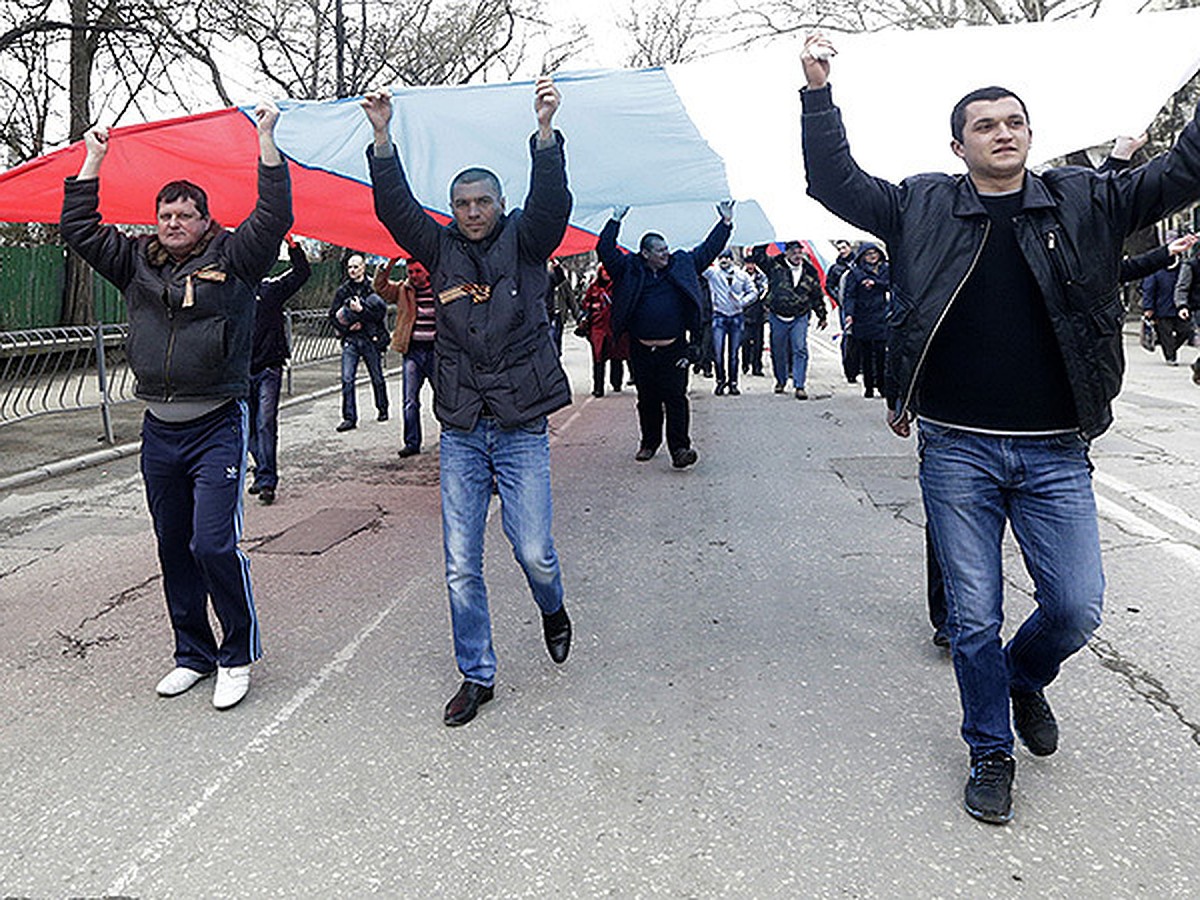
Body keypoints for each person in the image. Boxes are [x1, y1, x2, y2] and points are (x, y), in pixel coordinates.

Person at [801, 33, 1200, 825]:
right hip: (957, 447)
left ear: (1030, 133)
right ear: (959, 145)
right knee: (972, 617)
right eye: (984, 124)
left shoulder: (1087, 198)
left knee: (1077, 607)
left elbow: (1183, 170)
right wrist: (818, 95)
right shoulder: (919, 205)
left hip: (1056, 449)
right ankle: (989, 748)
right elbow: (833, 181)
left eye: (1013, 120)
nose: (1003, 131)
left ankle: (1024, 677)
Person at [60, 102, 292, 711]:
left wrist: (265, 141)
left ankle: (236, 655)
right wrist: (94, 158)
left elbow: (274, 218)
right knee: (171, 545)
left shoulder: (234, 260)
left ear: (205, 220)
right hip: (159, 431)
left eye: (185, 215)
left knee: (213, 544)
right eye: (165, 214)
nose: (173, 222)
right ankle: (192, 653)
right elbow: (80, 231)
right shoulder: (135, 262)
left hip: (217, 422)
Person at [362, 76, 574, 727]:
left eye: (483, 201)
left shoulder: (527, 243)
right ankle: (476, 674)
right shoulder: (438, 248)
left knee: (533, 549)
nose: (472, 210)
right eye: (462, 202)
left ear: (499, 204)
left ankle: (553, 607)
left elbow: (551, 203)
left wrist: (544, 134)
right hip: (460, 430)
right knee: (460, 565)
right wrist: (381, 136)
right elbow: (395, 211)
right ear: (451, 209)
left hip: (519, 428)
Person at [599, 202, 734, 467]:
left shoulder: (681, 264)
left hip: (674, 349)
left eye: (666, 249)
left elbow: (708, 251)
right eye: (659, 251)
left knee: (675, 398)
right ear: (645, 253)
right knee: (647, 399)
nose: (665, 254)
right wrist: (615, 220)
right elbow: (604, 249)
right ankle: (649, 443)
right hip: (641, 349)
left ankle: (680, 449)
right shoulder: (629, 269)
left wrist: (725, 223)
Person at [248, 235, 311, 505]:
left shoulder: (272, 289)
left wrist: (293, 246)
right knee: (247, 428)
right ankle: (263, 469)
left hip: (269, 368)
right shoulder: (231, 291)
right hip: (240, 371)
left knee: (265, 422)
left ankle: (267, 480)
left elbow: (302, 273)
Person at [748, 241, 827, 399]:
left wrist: (822, 315)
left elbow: (816, 294)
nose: (797, 255)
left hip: (800, 315)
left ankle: (799, 385)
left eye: (799, 252)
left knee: (800, 349)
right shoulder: (774, 265)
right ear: (786, 253)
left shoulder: (809, 271)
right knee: (778, 350)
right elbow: (758, 256)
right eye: (794, 252)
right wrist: (766, 238)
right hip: (778, 315)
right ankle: (781, 380)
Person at [376, 257, 436, 457]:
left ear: (427, 271)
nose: (414, 276)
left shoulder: (440, 287)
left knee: (446, 399)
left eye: (418, 271)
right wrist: (388, 265)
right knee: (410, 400)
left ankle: (452, 438)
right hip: (413, 351)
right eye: (411, 272)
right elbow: (381, 287)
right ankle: (412, 442)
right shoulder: (403, 290)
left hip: (437, 351)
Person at [329, 253, 389, 432]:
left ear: (363, 267)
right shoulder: (343, 291)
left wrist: (361, 312)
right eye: (349, 267)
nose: (352, 271)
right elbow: (332, 316)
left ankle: (382, 408)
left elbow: (379, 315)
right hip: (351, 340)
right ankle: (349, 417)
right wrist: (347, 328)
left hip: (370, 339)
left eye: (355, 267)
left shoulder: (372, 289)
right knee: (347, 378)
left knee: (376, 377)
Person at [703, 250, 757, 396]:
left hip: (736, 316)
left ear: (732, 260)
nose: (724, 261)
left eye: (727, 258)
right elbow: (700, 264)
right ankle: (720, 381)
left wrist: (743, 302)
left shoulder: (742, 275)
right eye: (721, 258)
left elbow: (753, 291)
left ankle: (733, 383)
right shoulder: (713, 273)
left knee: (733, 353)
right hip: (719, 315)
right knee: (718, 353)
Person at [841, 242, 890, 399]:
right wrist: (849, 314)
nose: (872, 256)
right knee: (866, 355)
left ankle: (882, 385)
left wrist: (875, 284)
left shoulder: (885, 269)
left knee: (881, 354)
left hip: (881, 315)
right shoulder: (855, 273)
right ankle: (868, 386)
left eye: (874, 253)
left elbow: (891, 285)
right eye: (868, 254)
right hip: (863, 316)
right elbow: (850, 295)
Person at [1141, 233, 1192, 366]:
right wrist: (1148, 307)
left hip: (1179, 306)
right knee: (1166, 333)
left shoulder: (1183, 268)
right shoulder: (1156, 270)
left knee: (1185, 330)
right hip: (1161, 307)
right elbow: (1148, 288)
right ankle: (1170, 356)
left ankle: (1171, 348)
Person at [579, 265, 627, 397]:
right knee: (598, 357)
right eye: (604, 271)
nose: (606, 274)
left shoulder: (619, 286)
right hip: (598, 327)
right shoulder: (594, 287)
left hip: (614, 327)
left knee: (616, 356)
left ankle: (616, 383)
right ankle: (598, 387)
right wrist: (593, 306)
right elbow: (585, 303)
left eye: (608, 271)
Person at [824, 239, 859, 383]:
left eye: (844, 247)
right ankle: (849, 366)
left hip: (862, 306)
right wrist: (838, 298)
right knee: (848, 335)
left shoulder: (858, 265)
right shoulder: (836, 268)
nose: (842, 251)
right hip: (845, 305)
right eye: (839, 249)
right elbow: (828, 286)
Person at [741, 258, 768, 376]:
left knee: (758, 342)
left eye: (752, 263)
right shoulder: (740, 276)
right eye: (748, 264)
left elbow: (764, 291)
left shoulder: (761, 277)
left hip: (758, 314)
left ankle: (757, 366)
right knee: (745, 341)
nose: (750, 266)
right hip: (745, 313)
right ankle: (745, 363)